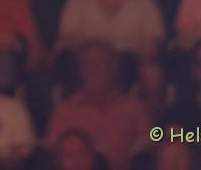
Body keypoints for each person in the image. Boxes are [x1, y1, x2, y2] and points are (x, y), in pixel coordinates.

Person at [45, 40, 150, 170]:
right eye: (88, 64)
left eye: (101, 62)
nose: (94, 69)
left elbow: (148, 146)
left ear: (113, 68)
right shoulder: (64, 111)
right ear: (80, 71)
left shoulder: (134, 109)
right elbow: (52, 154)